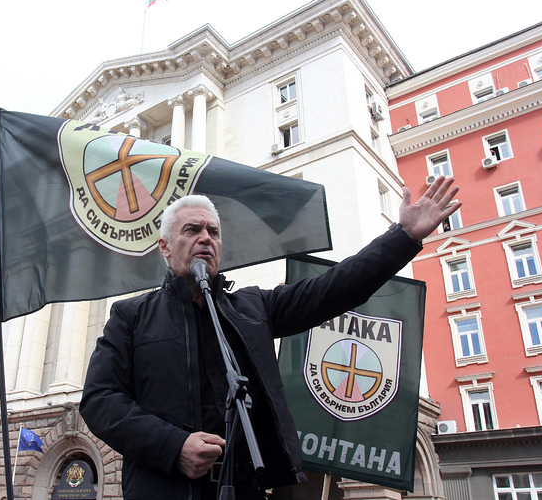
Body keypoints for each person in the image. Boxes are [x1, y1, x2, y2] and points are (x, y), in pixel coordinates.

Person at [80, 177, 461, 500]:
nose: (205, 239)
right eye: (192, 230)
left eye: (213, 232)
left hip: (246, 489)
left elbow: (334, 289)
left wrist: (402, 238)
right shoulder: (130, 316)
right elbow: (100, 400)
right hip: (164, 489)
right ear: (165, 247)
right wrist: (173, 446)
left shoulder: (253, 307)